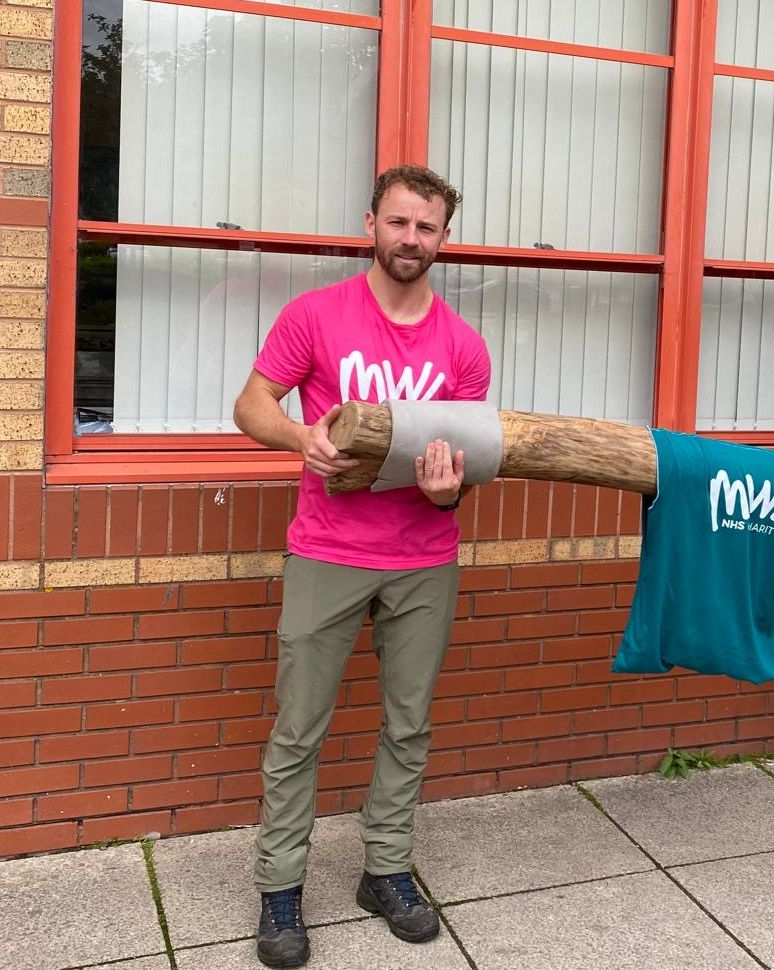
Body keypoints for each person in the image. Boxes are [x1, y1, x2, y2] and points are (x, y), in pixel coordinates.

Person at [233, 165, 491, 967]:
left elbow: (469, 466)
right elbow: (250, 406)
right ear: (371, 222)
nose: (412, 239)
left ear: (444, 239)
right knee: (298, 730)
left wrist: (448, 495)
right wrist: (297, 438)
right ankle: (281, 890)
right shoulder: (317, 315)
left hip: (424, 559)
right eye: (400, 222)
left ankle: (385, 871)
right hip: (327, 552)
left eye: (428, 228)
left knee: (407, 727)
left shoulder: (464, 346)